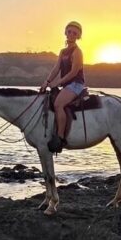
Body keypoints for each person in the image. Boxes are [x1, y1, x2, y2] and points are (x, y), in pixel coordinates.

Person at [39, 21, 87, 153]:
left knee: (59, 104)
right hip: (67, 84)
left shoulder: (77, 52)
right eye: (69, 31)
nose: (71, 34)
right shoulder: (63, 51)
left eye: (75, 33)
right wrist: (47, 82)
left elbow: (74, 72)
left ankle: (60, 137)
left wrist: (58, 83)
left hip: (76, 84)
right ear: (65, 32)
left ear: (78, 36)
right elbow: (56, 68)